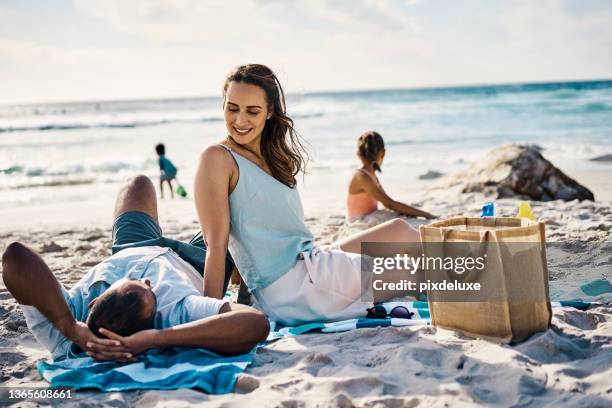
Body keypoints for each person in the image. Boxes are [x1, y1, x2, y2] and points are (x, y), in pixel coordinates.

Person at [194, 64, 425, 326]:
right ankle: (478, 275)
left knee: (399, 230)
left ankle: (475, 266)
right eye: (232, 108)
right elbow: (217, 246)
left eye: (252, 111)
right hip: (293, 290)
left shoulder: (271, 158)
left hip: (310, 261)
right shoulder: (216, 158)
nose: (240, 120)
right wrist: (207, 319)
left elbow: (256, 237)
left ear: (269, 112)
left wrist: (245, 295)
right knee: (416, 273)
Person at [1, 175, 269, 362]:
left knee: (137, 183)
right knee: (240, 213)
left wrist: (70, 326)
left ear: (95, 302)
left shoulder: (67, 325)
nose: (149, 283)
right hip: (195, 262)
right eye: (151, 292)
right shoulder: (175, 314)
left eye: (136, 284)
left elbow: (15, 257)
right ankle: (241, 277)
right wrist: (157, 338)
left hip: (133, 247)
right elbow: (256, 324)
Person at [347, 131, 436, 222]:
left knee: (401, 215)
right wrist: (427, 215)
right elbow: (390, 204)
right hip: (359, 222)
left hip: (370, 217)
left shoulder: (369, 174)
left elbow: (388, 203)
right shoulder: (362, 177)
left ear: (358, 154)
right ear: (383, 153)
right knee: (400, 220)